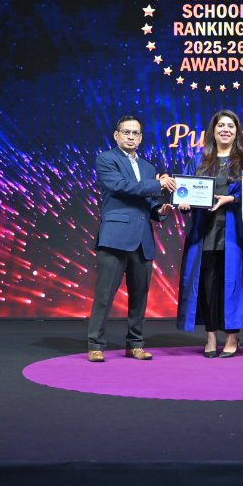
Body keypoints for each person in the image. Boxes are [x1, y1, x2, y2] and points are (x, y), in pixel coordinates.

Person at [87, 115, 176, 362]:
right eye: (126, 132)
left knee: (139, 296)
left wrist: (160, 210)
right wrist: (158, 185)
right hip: (115, 237)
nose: (130, 136)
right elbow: (121, 186)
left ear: (141, 138)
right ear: (116, 135)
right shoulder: (106, 159)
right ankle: (95, 344)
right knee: (104, 295)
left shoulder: (148, 168)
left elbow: (150, 201)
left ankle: (135, 344)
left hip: (142, 239)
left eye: (135, 133)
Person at [176, 110, 243, 358]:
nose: (225, 129)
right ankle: (211, 336)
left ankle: (232, 337)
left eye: (230, 126)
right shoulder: (199, 159)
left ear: (237, 131)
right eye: (220, 125)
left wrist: (231, 199)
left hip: (236, 232)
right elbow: (186, 191)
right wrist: (184, 203)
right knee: (208, 284)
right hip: (206, 231)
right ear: (212, 131)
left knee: (233, 283)